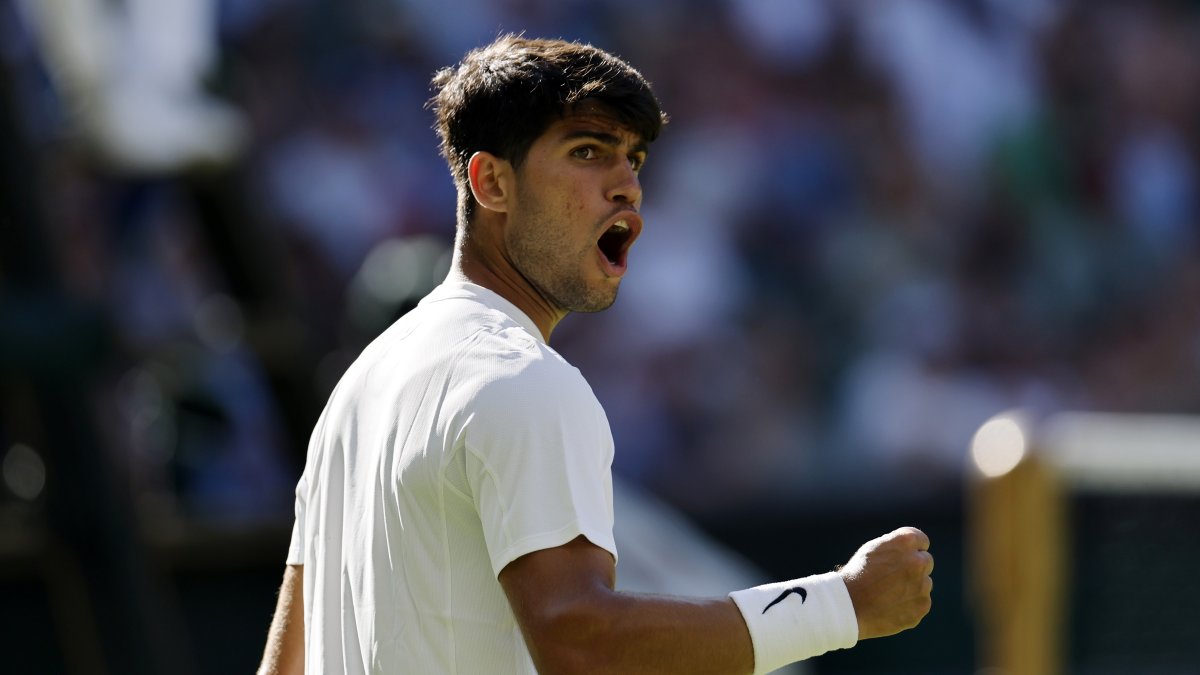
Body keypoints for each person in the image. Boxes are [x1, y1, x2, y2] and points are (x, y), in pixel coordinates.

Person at [258, 35, 933, 675]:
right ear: (491, 183)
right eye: (587, 151)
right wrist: (841, 604)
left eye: (632, 159)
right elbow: (580, 642)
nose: (626, 187)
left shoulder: (359, 389)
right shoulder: (521, 380)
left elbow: (285, 663)